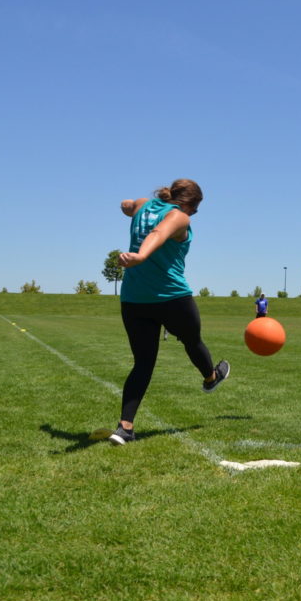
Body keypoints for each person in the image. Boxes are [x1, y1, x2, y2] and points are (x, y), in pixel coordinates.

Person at [109, 179, 230, 445]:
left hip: (134, 298)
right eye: (195, 209)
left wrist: (127, 206)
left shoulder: (143, 205)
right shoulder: (179, 217)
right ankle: (211, 377)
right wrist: (140, 256)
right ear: (188, 203)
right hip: (170, 297)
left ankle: (124, 428)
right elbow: (158, 235)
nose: (193, 214)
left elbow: (127, 205)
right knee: (192, 341)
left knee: (143, 363)